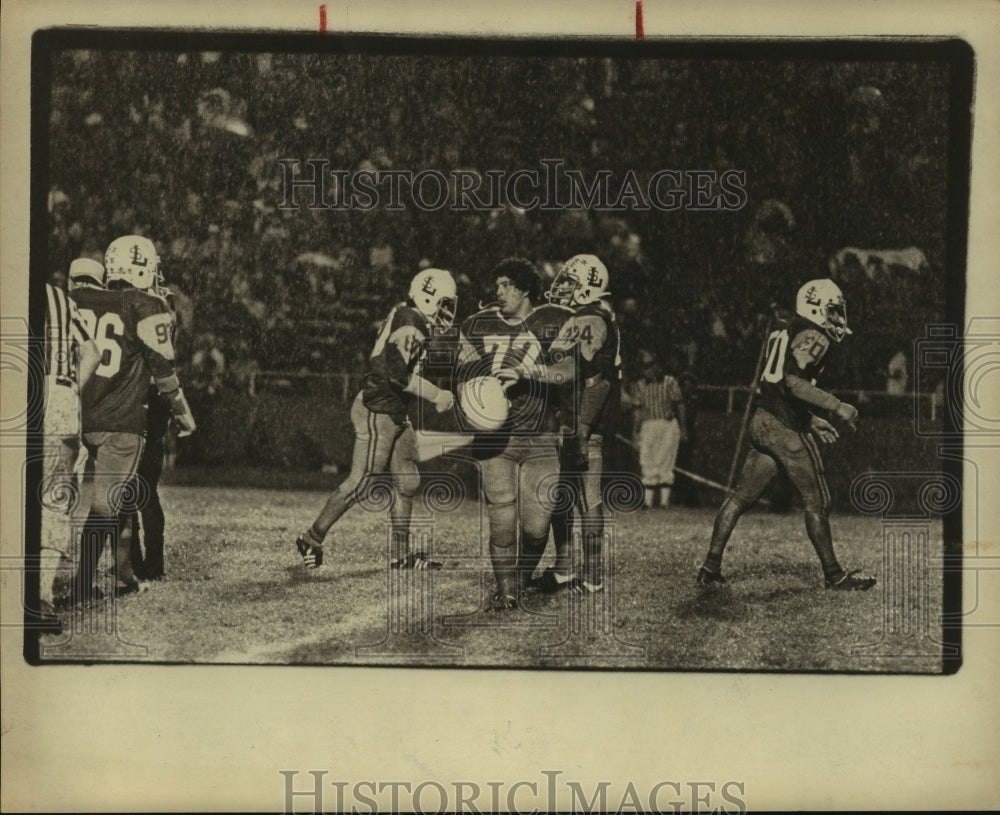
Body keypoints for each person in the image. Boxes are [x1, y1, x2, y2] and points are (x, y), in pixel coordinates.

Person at [697, 278, 876, 590]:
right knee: (817, 500)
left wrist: (810, 419)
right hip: (782, 426)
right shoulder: (813, 334)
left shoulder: (788, 327)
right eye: (832, 311)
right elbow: (792, 382)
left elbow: (780, 387)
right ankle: (835, 575)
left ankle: (709, 566)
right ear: (816, 306)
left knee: (740, 497)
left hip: (763, 417)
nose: (836, 318)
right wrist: (836, 406)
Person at [294, 268, 458, 571]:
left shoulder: (407, 315)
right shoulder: (412, 321)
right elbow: (397, 375)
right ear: (429, 296)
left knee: (407, 480)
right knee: (363, 482)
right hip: (378, 408)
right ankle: (311, 538)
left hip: (393, 409)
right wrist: (437, 395)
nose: (447, 311)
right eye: (445, 303)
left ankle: (400, 556)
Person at [69, 235, 196, 604]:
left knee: (80, 500)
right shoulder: (146, 304)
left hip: (77, 413)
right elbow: (164, 371)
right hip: (120, 419)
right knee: (108, 504)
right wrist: (183, 413)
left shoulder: (76, 299)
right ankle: (81, 582)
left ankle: (122, 570)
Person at [500, 253, 622, 595]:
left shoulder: (589, 317)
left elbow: (594, 380)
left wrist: (583, 431)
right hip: (574, 420)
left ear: (587, 286)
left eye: (570, 282)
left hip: (585, 422)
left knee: (587, 499)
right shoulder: (588, 316)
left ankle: (594, 577)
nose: (563, 288)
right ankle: (566, 566)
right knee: (562, 499)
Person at [457, 258, 572, 609]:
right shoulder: (477, 324)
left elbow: (569, 370)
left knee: (537, 527)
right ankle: (507, 591)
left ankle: (519, 578)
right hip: (495, 439)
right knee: (503, 522)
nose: (498, 291)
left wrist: (528, 372)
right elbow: (462, 373)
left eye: (506, 285)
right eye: (498, 285)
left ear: (524, 290)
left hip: (541, 437)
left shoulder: (556, 320)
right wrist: (472, 397)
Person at [33, 265, 102, 633]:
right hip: (59, 403)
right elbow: (91, 354)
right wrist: (70, 388)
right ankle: (40, 598)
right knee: (54, 503)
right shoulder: (60, 298)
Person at [628, 354, 688, 509]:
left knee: (666, 460)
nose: (648, 370)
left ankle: (664, 502)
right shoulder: (640, 385)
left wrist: (683, 428)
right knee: (647, 460)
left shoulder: (669, 382)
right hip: (648, 425)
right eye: (645, 367)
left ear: (657, 366)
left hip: (667, 425)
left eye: (651, 365)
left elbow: (680, 405)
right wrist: (635, 431)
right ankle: (648, 502)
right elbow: (637, 411)